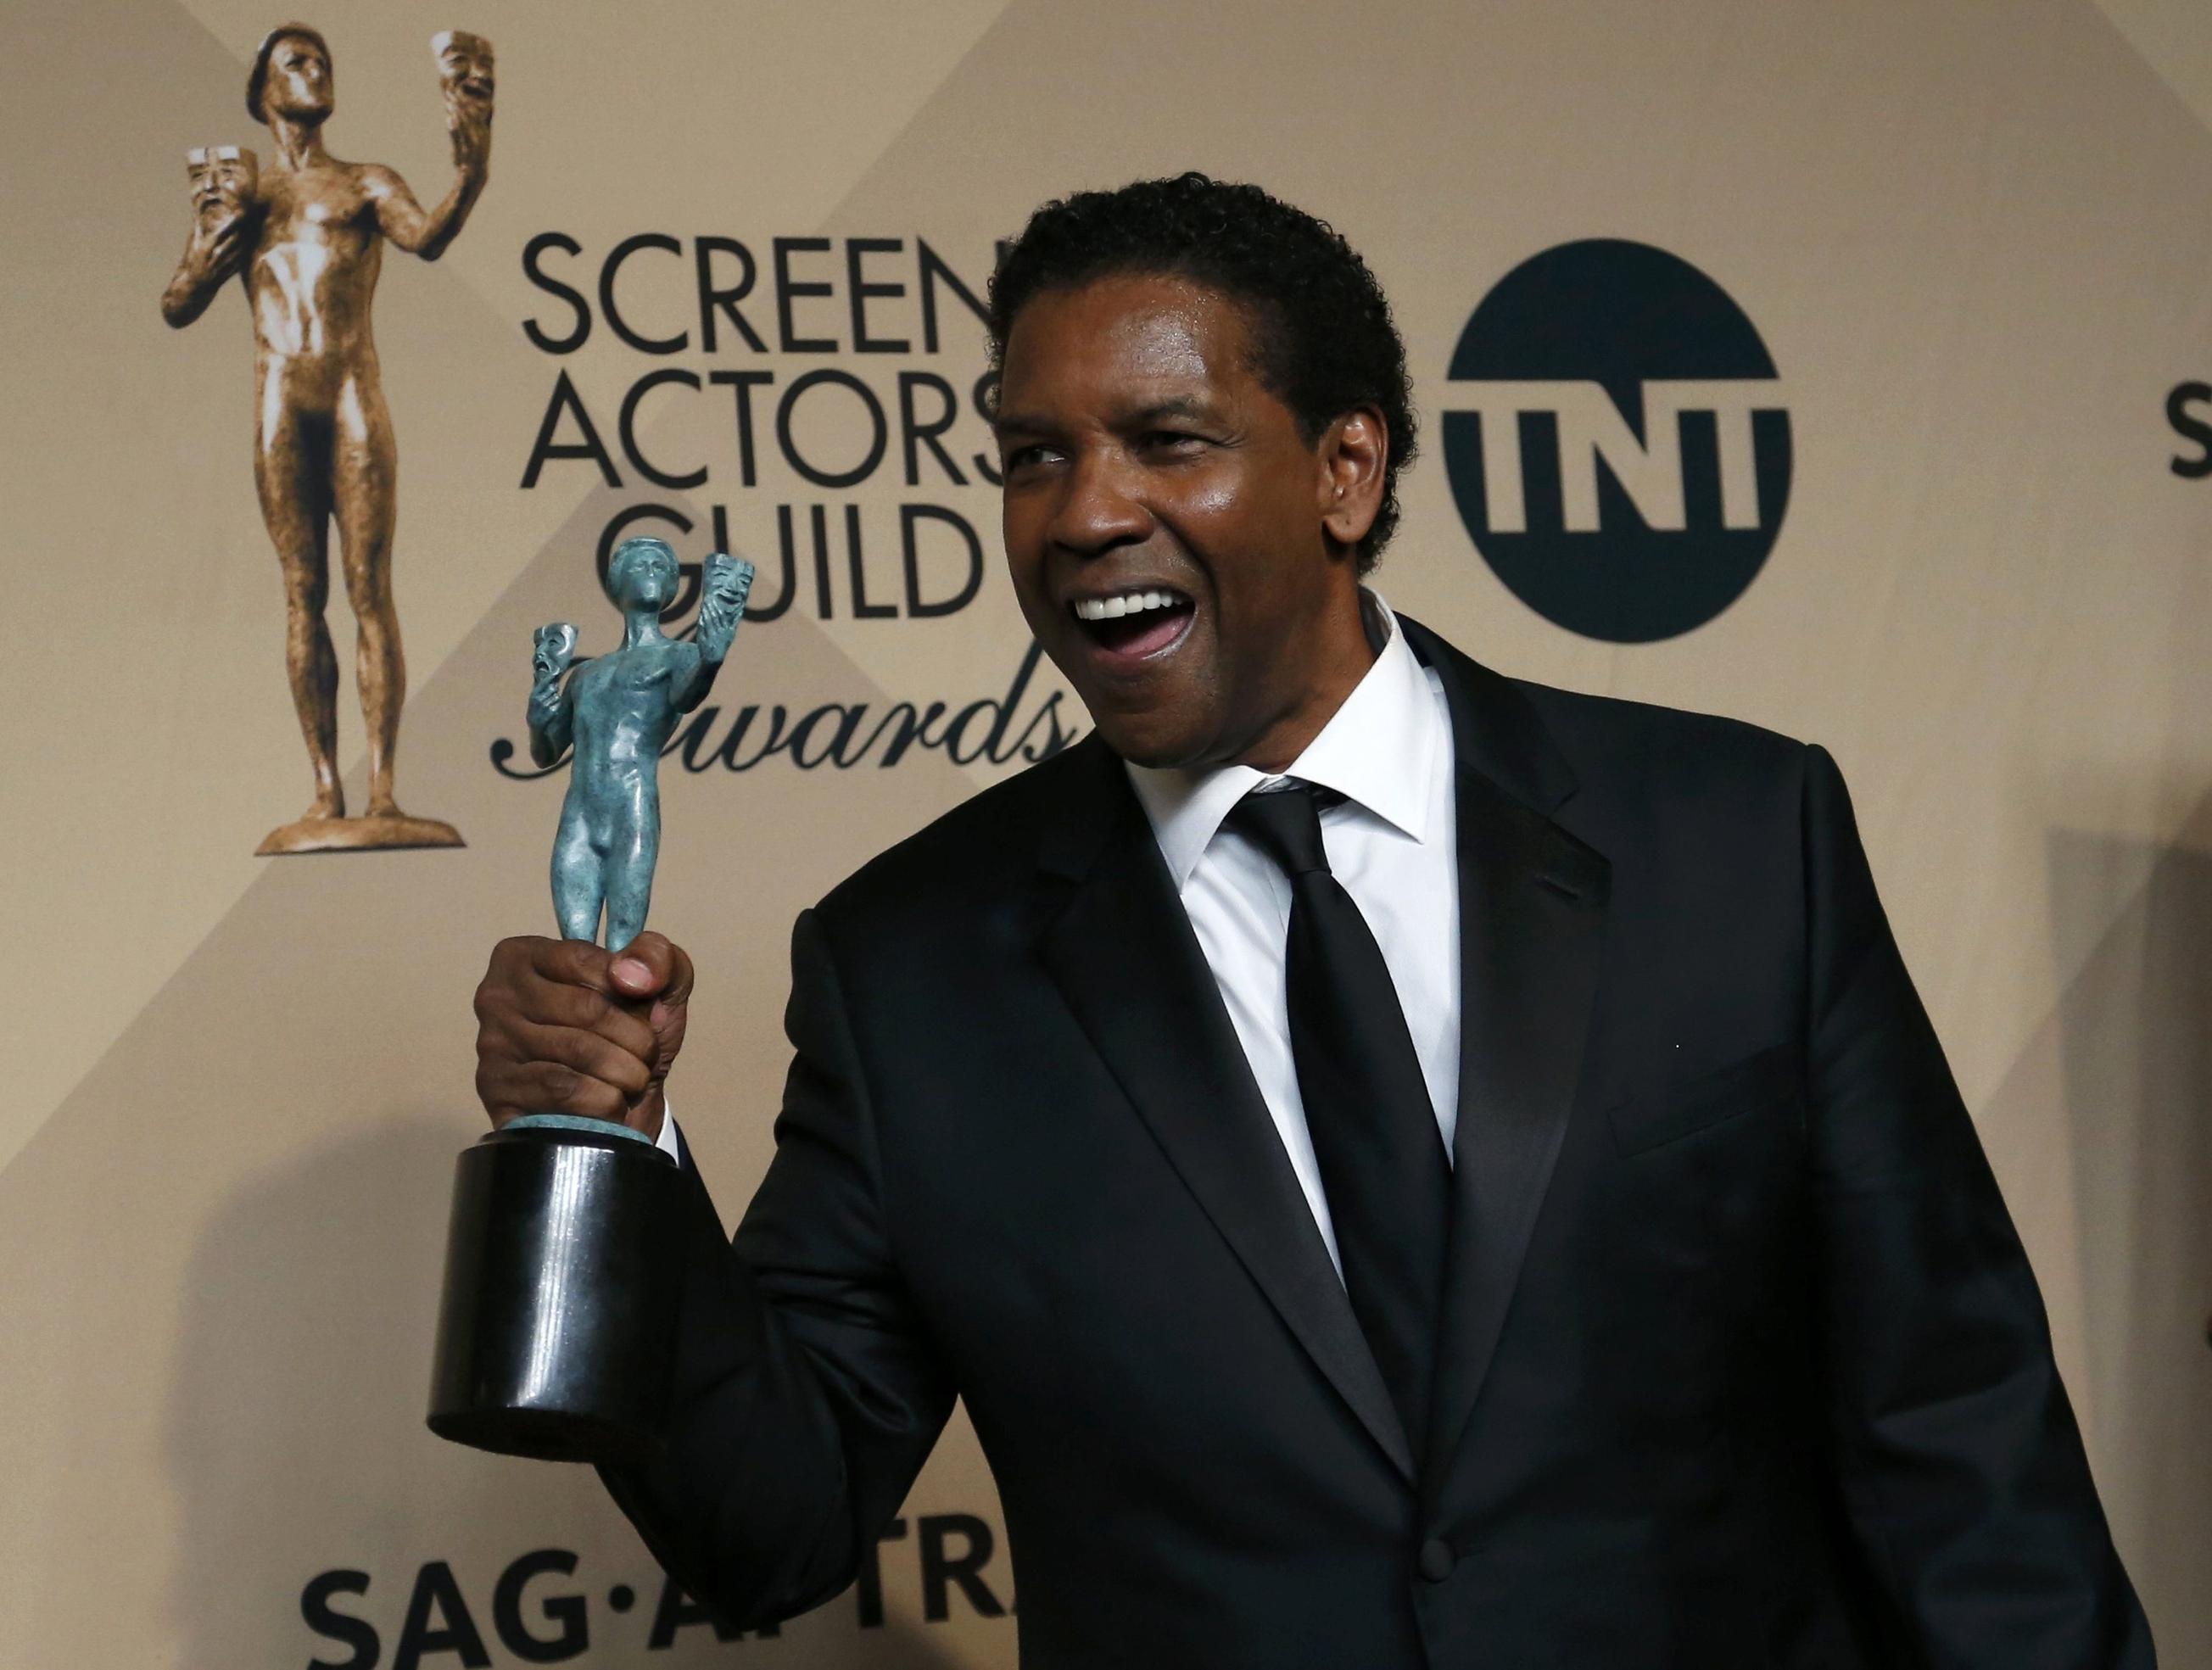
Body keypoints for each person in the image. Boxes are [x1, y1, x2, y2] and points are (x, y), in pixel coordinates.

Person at [470, 174, 2153, 1667]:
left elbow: (1954, 1434)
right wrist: (615, 1153)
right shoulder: (910, 968)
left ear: (1345, 468)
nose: (1079, 515)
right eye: (1031, 457)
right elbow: (772, 1523)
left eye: (1164, 440)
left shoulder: (1731, 838)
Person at [161, 25, 493, 850]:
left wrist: (471, 168)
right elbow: (177, 303)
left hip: (350, 397)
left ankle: (381, 788)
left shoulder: (366, 184)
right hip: (280, 400)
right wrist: (208, 245)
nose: (315, 71)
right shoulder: (250, 195)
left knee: (368, 588)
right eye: (295, 62)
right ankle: (323, 789)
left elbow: (428, 236)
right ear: (265, 93)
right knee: (302, 591)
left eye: (322, 60)